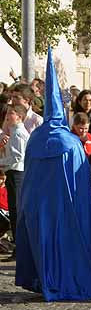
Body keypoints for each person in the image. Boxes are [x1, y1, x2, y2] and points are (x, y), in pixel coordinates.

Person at [15, 48, 91, 302]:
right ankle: (65, 280)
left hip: (39, 206)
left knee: (45, 245)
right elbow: (80, 180)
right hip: (66, 208)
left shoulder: (36, 138)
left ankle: (45, 280)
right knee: (67, 245)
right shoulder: (70, 143)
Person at [0, 104, 29, 259]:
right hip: (13, 172)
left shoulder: (18, 133)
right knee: (14, 210)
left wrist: (3, 163)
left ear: (19, 116)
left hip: (17, 173)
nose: (8, 116)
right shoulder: (14, 132)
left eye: (11, 113)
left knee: (16, 210)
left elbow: (18, 157)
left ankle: (21, 248)